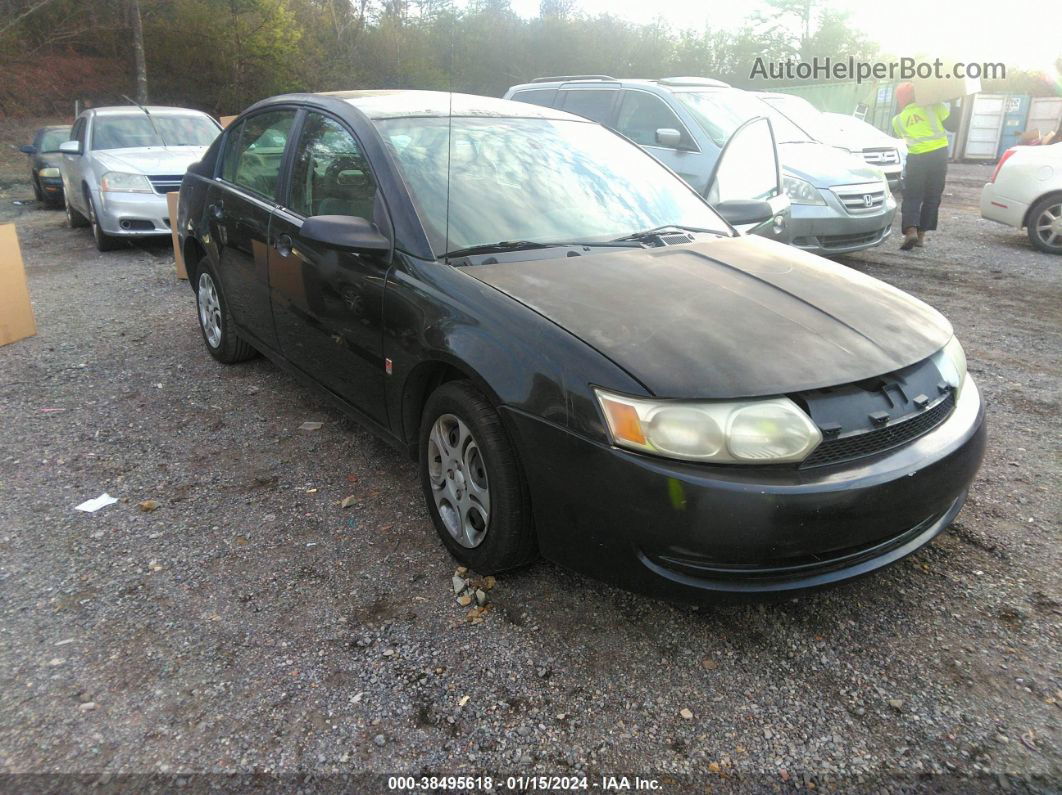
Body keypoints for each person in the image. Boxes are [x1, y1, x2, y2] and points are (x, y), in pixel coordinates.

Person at [891, 82, 951, 250]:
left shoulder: (898, 120)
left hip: (916, 158)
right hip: (938, 156)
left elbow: (904, 135)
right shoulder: (934, 107)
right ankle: (921, 235)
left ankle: (911, 231)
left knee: (912, 196)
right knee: (932, 196)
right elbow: (952, 123)